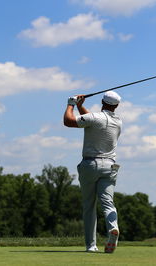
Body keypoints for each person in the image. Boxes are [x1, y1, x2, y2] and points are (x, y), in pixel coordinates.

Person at [63, 91, 122, 253]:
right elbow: (93, 120)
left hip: (90, 164)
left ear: (102, 102)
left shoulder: (95, 118)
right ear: (117, 106)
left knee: (89, 206)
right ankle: (113, 228)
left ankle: (91, 245)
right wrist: (81, 107)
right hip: (110, 167)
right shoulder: (118, 122)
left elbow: (68, 121)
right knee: (108, 203)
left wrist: (71, 104)